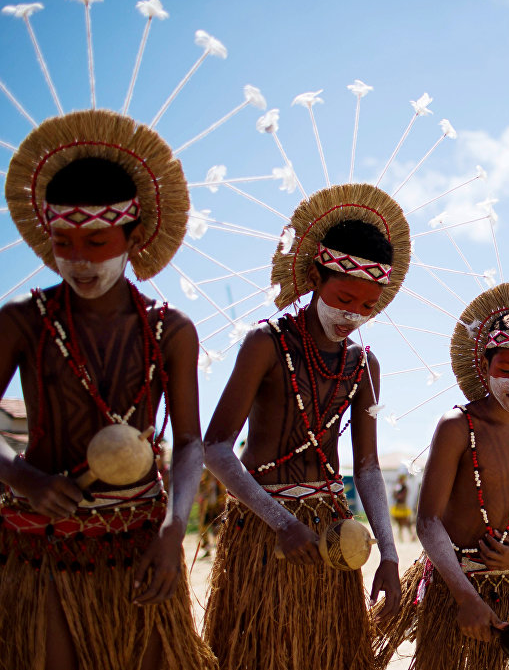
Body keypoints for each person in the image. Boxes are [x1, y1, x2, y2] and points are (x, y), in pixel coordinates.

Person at [0, 112, 214, 669]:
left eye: (97, 240)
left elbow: (189, 443)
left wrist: (173, 531)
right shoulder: (23, 322)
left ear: (132, 235)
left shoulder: (172, 332)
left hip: (140, 543)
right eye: (63, 242)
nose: (80, 259)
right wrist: (21, 476)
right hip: (43, 550)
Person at [201, 184, 407, 670]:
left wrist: (391, 556)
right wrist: (281, 521)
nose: (352, 315)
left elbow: (370, 467)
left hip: (333, 536)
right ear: (315, 276)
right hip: (265, 534)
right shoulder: (266, 344)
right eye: (343, 297)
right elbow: (215, 448)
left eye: (367, 306)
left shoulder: (363, 365)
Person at [375, 283, 509, 670]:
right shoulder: (457, 425)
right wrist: (465, 595)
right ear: (484, 369)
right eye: (506, 370)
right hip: (454, 587)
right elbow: (428, 520)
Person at [392, 472, 415, 542]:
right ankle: (401, 538)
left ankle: (412, 536)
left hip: (403, 507)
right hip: (398, 507)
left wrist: (396, 494)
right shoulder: (398, 488)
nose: (400, 481)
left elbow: (400, 497)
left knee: (407, 523)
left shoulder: (405, 488)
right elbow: (394, 496)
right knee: (399, 524)